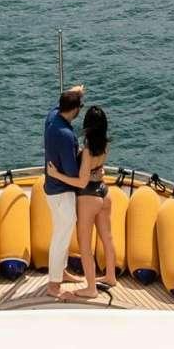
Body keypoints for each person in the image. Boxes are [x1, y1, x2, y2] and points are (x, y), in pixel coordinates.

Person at [40, 85, 87, 299]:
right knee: (61, 236)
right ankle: (53, 284)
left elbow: (56, 105)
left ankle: (62, 271)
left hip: (51, 189)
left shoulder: (52, 118)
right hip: (61, 193)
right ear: (75, 109)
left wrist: (75, 91)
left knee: (63, 233)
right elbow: (72, 171)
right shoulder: (66, 135)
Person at [73, 104, 118, 296]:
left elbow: (82, 179)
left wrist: (57, 174)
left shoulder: (87, 151)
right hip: (103, 192)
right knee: (107, 238)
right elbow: (97, 171)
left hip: (88, 196)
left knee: (84, 243)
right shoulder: (106, 145)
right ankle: (110, 276)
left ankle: (91, 288)